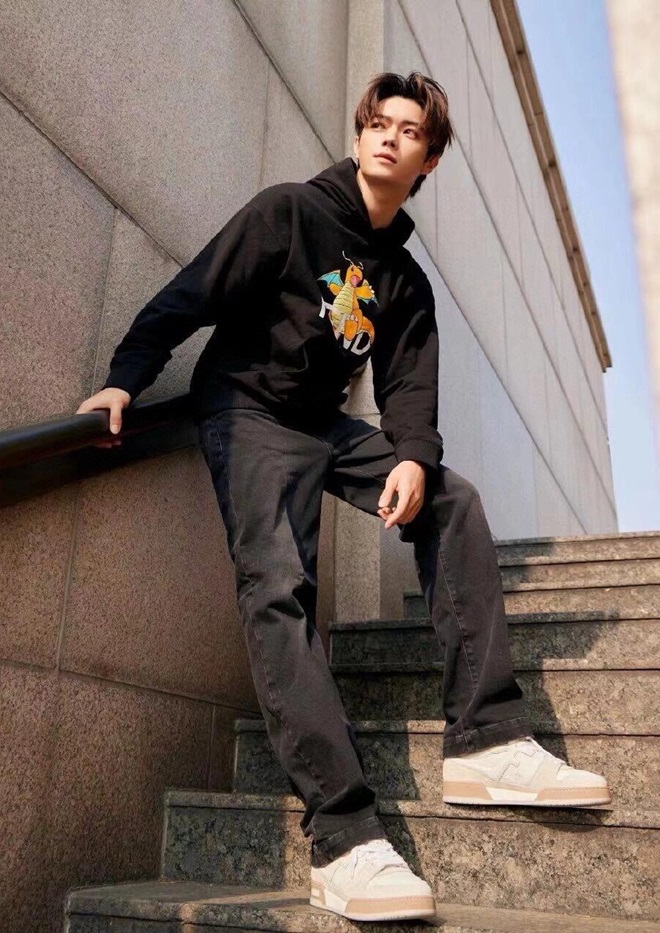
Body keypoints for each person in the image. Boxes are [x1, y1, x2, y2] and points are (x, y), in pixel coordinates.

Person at [76, 71, 610, 923]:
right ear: (360, 135)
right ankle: (344, 834)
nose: (390, 136)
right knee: (277, 584)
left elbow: (410, 391)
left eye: (410, 131)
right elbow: (190, 295)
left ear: (428, 159)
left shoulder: (406, 283)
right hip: (246, 410)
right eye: (379, 123)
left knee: (452, 498)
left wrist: (414, 459)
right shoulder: (287, 213)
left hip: (323, 425)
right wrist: (123, 379)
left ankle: (487, 738)